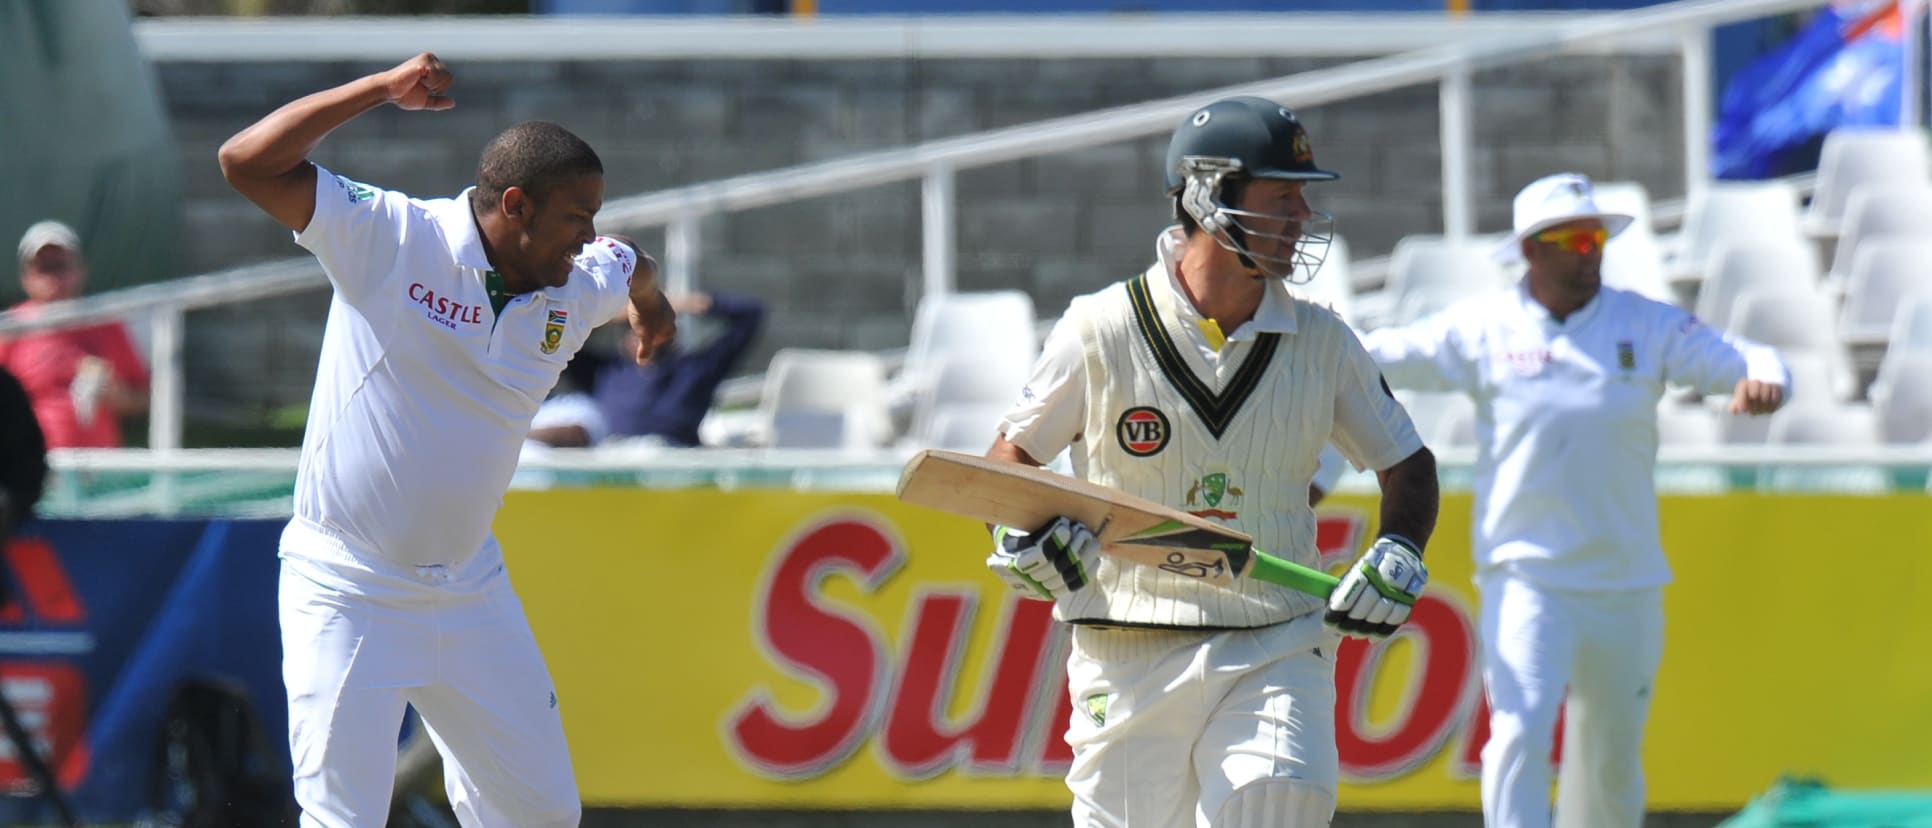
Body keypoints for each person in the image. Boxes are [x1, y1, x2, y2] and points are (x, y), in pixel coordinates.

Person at [217, 52, 674, 825]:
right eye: (575, 218)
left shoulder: (573, 283)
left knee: (543, 816)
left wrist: (652, 305)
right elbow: (246, 161)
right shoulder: (395, 237)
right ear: (518, 205)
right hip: (347, 587)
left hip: (469, 589)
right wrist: (375, 90)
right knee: (343, 820)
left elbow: (630, 259)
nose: (586, 237)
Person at [983, 96, 1440, 827]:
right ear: (1207, 194)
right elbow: (1008, 463)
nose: (1300, 216)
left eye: (1303, 198)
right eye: (1280, 196)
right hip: (1126, 648)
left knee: (1276, 802)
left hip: (1276, 639)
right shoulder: (1100, 327)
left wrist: (1398, 549)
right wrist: (1019, 539)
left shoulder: (1322, 341)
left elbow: (1407, 464)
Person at [1358, 172, 1788, 828]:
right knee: (1520, 734)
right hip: (1529, 578)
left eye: (1596, 237)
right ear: (1531, 251)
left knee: (1611, 759)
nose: (1590, 251)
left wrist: (1765, 379)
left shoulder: (1642, 323)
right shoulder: (1485, 327)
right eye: (1573, 239)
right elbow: (1388, 354)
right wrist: (1317, 342)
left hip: (1627, 583)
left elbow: (1744, 358)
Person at [0, 221, 149, 448]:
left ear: (80, 270)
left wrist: (119, 397)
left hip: (99, 467)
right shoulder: (11, 328)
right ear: (26, 277)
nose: (53, 278)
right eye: (44, 268)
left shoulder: (105, 323)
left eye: (60, 266)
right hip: (33, 464)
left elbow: (144, 396)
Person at [594, 288, 764, 447]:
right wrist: (612, 314)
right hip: (616, 458)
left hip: (675, 457)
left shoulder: (696, 369)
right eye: (635, 329)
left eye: (654, 328)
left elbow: (751, 314)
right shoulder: (606, 371)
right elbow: (569, 334)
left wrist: (688, 303)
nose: (644, 337)